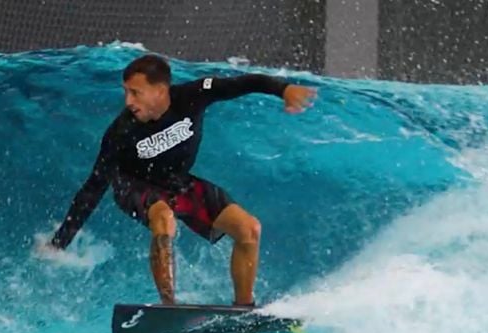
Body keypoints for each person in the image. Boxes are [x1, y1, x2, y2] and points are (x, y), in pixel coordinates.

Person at [40, 53, 316, 307]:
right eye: (126, 92)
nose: (128, 102)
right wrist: (60, 241)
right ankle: (169, 307)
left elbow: (241, 83)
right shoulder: (121, 132)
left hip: (176, 182)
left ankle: (244, 308)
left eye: (135, 93)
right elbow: (92, 189)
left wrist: (283, 89)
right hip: (133, 185)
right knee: (163, 218)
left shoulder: (192, 96)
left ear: (160, 90)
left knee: (249, 228)